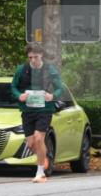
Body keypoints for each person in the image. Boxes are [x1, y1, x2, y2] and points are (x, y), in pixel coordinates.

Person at [10, 42, 66, 183]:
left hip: (45, 109)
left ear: (41, 55)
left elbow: (60, 88)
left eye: (35, 57)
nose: (32, 60)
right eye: (30, 57)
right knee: (30, 144)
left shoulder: (50, 70)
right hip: (27, 110)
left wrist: (52, 96)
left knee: (39, 138)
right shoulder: (21, 70)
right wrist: (19, 96)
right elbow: (13, 87)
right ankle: (44, 157)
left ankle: (40, 173)